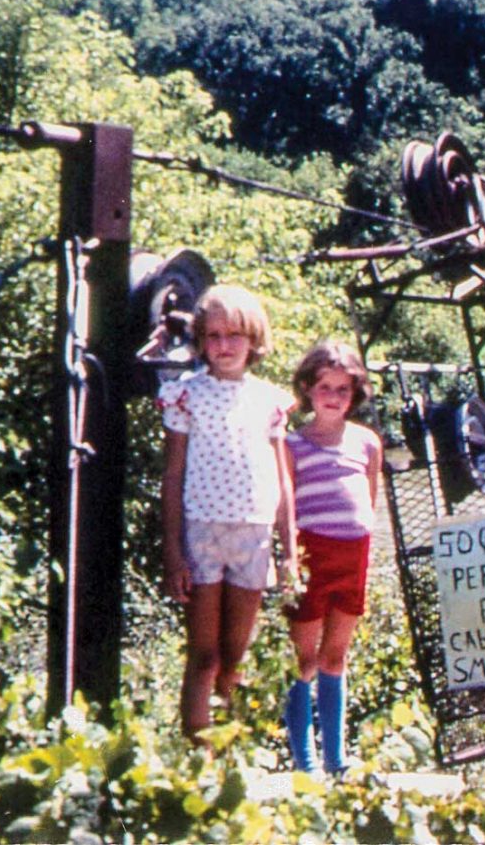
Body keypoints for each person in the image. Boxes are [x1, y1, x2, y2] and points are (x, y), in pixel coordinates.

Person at [157, 284, 297, 742]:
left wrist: (288, 554)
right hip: (202, 535)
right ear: (200, 341)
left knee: (235, 653)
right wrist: (173, 552)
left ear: (254, 339)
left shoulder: (269, 400)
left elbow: (283, 482)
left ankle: (229, 751)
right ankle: (198, 757)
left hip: (253, 535)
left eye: (234, 335)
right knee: (204, 654)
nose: (223, 345)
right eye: (213, 335)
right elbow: (173, 476)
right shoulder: (186, 395)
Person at [282, 339, 383, 775]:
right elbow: (283, 508)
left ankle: (336, 759)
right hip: (310, 557)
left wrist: (368, 552)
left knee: (335, 656)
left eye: (343, 389)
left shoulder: (367, 442)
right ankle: (304, 763)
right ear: (307, 388)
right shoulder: (292, 444)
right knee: (303, 659)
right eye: (325, 387)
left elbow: (371, 502)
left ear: (355, 393)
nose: (334, 397)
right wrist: (287, 561)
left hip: (352, 556)